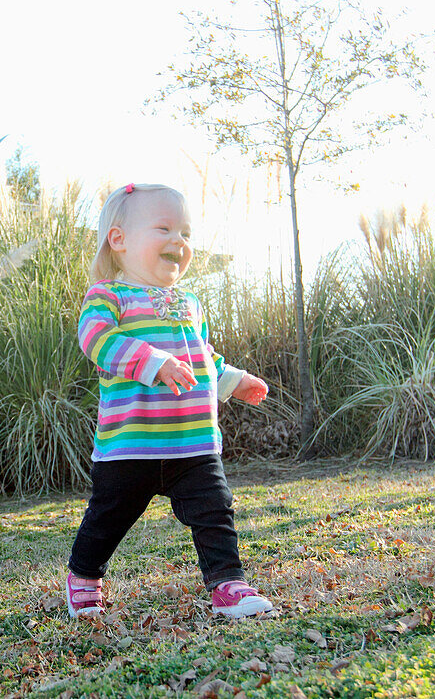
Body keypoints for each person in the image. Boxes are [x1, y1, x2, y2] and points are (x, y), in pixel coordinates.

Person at [66, 183, 274, 619]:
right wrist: (152, 361)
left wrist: (232, 379)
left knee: (215, 512)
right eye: (163, 228)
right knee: (107, 520)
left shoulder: (190, 302)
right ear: (119, 240)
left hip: (192, 443)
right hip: (130, 445)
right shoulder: (108, 296)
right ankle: (84, 575)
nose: (178, 241)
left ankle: (227, 583)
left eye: (186, 233)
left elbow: (201, 355)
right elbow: (97, 339)